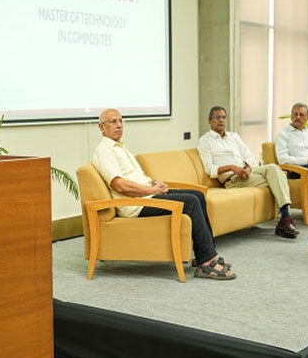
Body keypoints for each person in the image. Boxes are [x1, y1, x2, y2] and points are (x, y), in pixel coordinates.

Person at [91, 108, 235, 280]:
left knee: (198, 194)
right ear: (101, 127)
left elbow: (137, 177)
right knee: (191, 202)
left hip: (147, 195)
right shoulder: (104, 151)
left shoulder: (121, 148)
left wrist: (153, 182)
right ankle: (206, 261)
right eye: (113, 122)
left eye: (121, 121)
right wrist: (152, 190)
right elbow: (119, 185)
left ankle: (207, 253)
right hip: (136, 205)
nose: (119, 125)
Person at [198, 106, 299, 239]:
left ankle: (284, 218)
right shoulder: (205, 141)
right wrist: (232, 168)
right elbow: (209, 169)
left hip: (248, 173)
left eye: (223, 117)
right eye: (217, 117)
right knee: (277, 178)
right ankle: (285, 219)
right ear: (209, 121)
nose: (221, 120)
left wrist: (247, 169)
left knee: (274, 168)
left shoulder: (234, 137)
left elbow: (249, 157)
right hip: (232, 180)